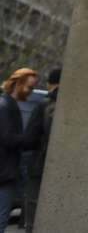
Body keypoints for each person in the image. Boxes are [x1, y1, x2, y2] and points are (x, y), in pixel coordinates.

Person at [0, 68, 39, 229]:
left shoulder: (8, 104)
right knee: (2, 218)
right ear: (18, 84)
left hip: (5, 171)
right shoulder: (5, 105)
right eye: (29, 87)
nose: (31, 92)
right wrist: (30, 139)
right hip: (4, 172)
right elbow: (7, 138)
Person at [23, 66, 59, 232]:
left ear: (50, 84)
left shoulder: (44, 104)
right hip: (62, 168)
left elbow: (29, 138)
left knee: (33, 206)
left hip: (39, 164)